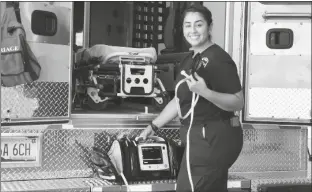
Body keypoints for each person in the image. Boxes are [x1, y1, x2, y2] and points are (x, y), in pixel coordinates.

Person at [139, 4, 244, 192]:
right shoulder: (190, 59)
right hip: (198, 140)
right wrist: (153, 126)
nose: (192, 30)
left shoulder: (219, 59)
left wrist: (206, 92)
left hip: (211, 141)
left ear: (209, 27)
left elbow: (238, 101)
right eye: (188, 25)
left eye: (198, 25)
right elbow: (179, 100)